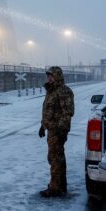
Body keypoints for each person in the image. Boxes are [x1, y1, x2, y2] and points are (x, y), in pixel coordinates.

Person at [38, 66, 74, 197]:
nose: (49, 78)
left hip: (58, 130)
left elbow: (67, 113)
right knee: (58, 158)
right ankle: (61, 185)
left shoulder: (63, 91)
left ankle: (55, 188)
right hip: (52, 129)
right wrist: (43, 126)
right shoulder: (51, 91)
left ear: (57, 76)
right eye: (48, 75)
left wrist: (61, 129)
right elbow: (48, 111)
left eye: (51, 75)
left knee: (54, 158)